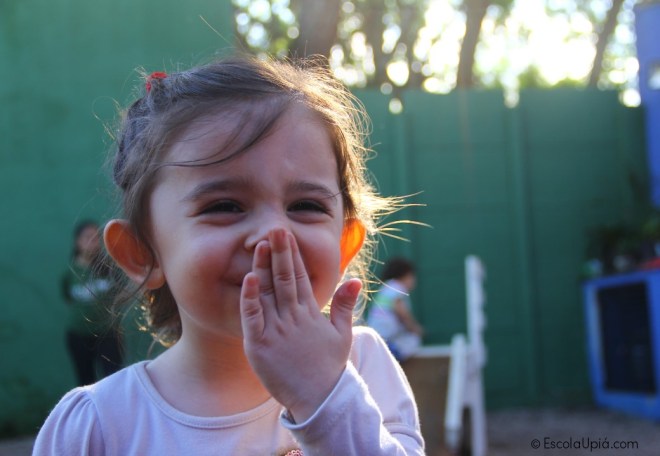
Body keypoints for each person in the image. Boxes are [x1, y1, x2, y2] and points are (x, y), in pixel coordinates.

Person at [34, 56, 424, 455]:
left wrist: (325, 397)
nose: (274, 233)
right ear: (142, 254)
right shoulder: (98, 428)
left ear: (343, 244)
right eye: (224, 206)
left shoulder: (363, 367)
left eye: (306, 205)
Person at [61, 220, 122, 386]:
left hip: (108, 334)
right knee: (85, 383)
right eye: (88, 237)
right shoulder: (70, 273)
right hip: (79, 335)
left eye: (96, 238)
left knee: (114, 381)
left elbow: (122, 292)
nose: (93, 242)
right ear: (78, 241)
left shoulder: (110, 269)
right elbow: (67, 298)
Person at [367, 257, 423, 362]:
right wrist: (415, 328)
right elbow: (402, 313)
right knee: (413, 340)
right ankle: (392, 356)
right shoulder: (397, 287)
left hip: (377, 334)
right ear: (406, 275)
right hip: (386, 337)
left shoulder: (386, 287)